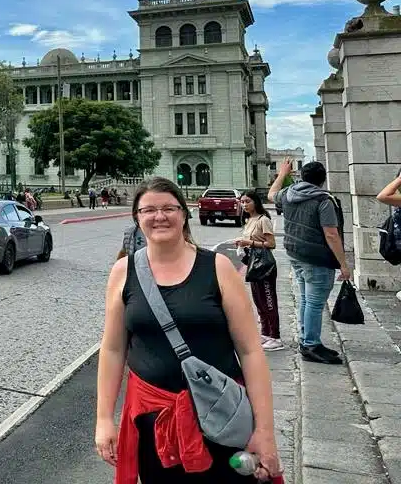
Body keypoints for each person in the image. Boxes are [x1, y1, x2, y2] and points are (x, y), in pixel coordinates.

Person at [96, 176, 280, 483]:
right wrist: (104, 419)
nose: (159, 216)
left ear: (184, 213)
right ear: (137, 218)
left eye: (169, 208)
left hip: (221, 417)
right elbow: (113, 349)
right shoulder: (122, 272)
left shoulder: (217, 268)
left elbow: (250, 352)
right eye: (148, 210)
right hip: (154, 424)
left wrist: (264, 430)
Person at [269, 159, 348, 365]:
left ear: (302, 176)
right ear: (322, 179)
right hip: (317, 257)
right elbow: (331, 234)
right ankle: (311, 344)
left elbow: (270, 195)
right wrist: (343, 263)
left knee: (306, 299)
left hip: (296, 254)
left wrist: (282, 173)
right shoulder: (323, 200)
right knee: (314, 302)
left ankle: (307, 340)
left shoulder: (289, 193)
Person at [235, 190, 282, 351]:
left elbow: (271, 244)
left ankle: (275, 336)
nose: (244, 204)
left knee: (269, 301)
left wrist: (250, 242)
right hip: (253, 264)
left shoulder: (263, 220)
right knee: (259, 301)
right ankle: (265, 332)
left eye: (247, 201)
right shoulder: (249, 220)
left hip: (265, 266)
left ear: (256, 201)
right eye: (242, 202)